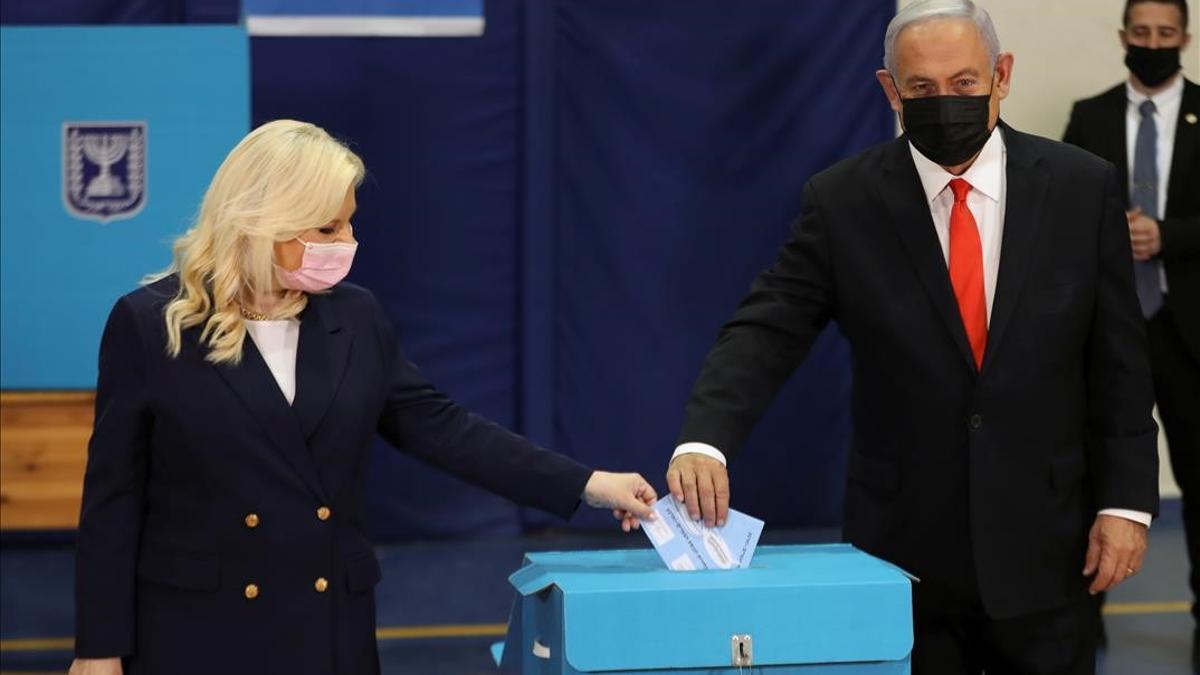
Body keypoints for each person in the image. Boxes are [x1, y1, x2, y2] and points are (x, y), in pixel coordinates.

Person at [666, 1, 1158, 672]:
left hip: (1051, 543)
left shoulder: (1080, 187)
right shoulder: (844, 201)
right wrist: (706, 436)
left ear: (1002, 75)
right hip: (903, 551)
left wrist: (1127, 501)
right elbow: (767, 326)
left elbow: (1120, 361)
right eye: (922, 89)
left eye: (963, 83)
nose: (944, 101)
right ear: (889, 89)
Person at [68, 120, 658, 675]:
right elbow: (112, 502)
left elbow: (443, 428)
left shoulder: (356, 316)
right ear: (263, 222)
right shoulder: (150, 325)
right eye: (328, 229)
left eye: (348, 223)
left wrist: (586, 483)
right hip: (195, 632)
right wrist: (99, 650)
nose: (348, 242)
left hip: (328, 628)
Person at [1062, 0, 1199, 663]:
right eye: (1140, 33)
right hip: (1109, 332)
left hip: (1188, 331)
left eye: (1164, 34)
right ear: (1123, 37)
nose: (1152, 44)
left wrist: (1167, 236)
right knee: (1094, 479)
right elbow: (1061, 212)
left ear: (1186, 39)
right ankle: (1085, 622)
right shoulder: (1089, 116)